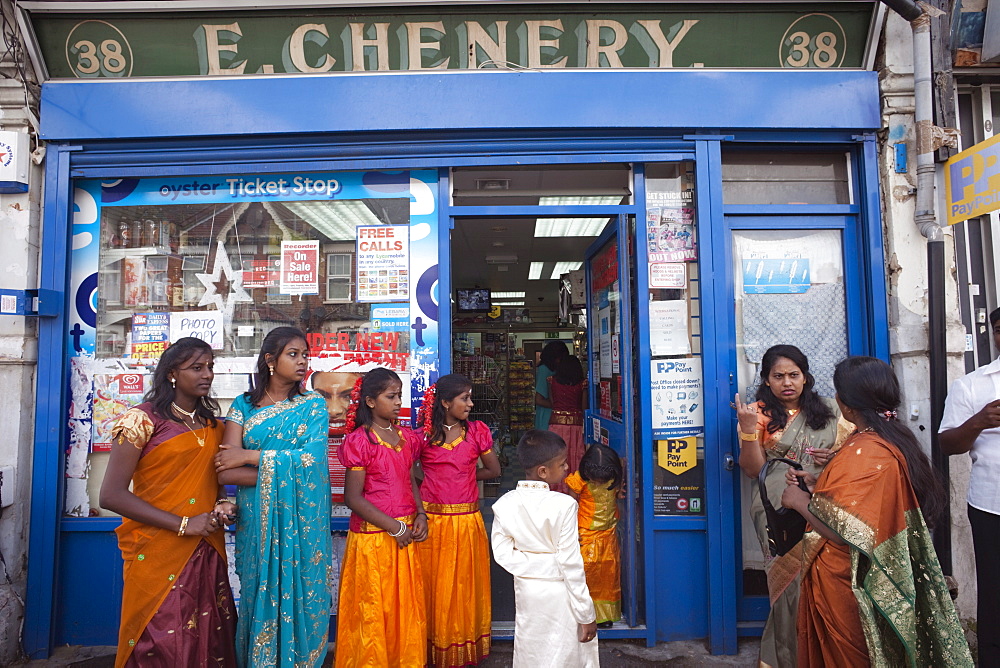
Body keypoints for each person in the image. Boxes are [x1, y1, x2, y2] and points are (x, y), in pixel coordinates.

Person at [781, 356, 973, 667]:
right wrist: (820, 485)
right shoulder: (881, 439)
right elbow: (866, 504)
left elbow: (843, 532)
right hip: (854, 575)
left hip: (848, 580)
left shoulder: (866, 451)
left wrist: (798, 500)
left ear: (846, 403)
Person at [100, 337, 237, 668]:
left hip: (206, 549)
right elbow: (111, 495)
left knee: (209, 636)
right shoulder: (141, 421)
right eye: (197, 368)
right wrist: (185, 524)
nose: (207, 374)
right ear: (172, 374)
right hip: (160, 548)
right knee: (163, 639)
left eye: (210, 367)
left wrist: (223, 504)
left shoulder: (212, 426)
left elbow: (212, 483)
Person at [215, 326, 332, 668]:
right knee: (257, 594)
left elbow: (314, 462)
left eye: (305, 355)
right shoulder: (243, 406)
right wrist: (282, 469)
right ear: (270, 360)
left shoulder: (312, 405)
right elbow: (226, 471)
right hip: (257, 523)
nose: (302, 362)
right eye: (293, 354)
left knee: (305, 597)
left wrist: (253, 457)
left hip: (302, 521)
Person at [732, 344, 850, 668]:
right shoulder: (757, 413)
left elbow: (854, 454)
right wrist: (746, 429)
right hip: (775, 509)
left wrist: (834, 458)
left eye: (794, 375)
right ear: (767, 380)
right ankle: (785, 657)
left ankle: (819, 653)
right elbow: (754, 470)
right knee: (787, 585)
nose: (787, 382)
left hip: (821, 502)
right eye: (778, 376)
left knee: (821, 580)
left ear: (806, 377)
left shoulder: (829, 410)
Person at [335, 367, 429, 667]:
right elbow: (353, 497)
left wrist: (421, 515)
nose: (397, 401)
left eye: (399, 395)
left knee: (403, 609)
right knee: (374, 609)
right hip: (373, 540)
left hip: (403, 536)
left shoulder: (406, 437)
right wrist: (394, 527)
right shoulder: (361, 442)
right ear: (371, 401)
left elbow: (410, 479)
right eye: (391, 396)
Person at [491, 429, 599, 667]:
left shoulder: (505, 504)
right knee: (565, 650)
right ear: (543, 471)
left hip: (528, 589)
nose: (567, 468)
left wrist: (532, 565)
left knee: (531, 648)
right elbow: (571, 564)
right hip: (561, 591)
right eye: (562, 464)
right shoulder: (565, 505)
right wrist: (586, 615)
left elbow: (502, 552)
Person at [416, 373, 501, 666]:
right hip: (430, 524)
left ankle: (459, 648)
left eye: (470, 397)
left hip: (466, 522)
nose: (471, 403)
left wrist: (461, 475)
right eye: (465, 398)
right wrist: (433, 479)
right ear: (445, 402)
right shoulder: (422, 436)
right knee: (433, 586)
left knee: (463, 586)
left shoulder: (477, 432)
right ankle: (432, 646)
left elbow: (493, 470)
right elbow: (406, 471)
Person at [940, 306, 1000, 667]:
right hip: (991, 503)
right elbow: (948, 445)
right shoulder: (973, 385)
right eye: (998, 328)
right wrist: (979, 421)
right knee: (994, 591)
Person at [564, 444, 623, 628]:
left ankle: (603, 616)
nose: (597, 483)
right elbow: (570, 505)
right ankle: (582, 614)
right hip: (585, 533)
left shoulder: (614, 475)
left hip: (608, 533)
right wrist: (571, 531)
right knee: (585, 572)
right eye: (594, 480)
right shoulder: (579, 480)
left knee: (608, 574)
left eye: (601, 481)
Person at [548, 355, 588, 493]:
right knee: (576, 455)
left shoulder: (552, 381)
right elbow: (583, 407)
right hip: (576, 424)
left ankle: (556, 488)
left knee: (555, 456)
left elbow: (553, 402)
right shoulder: (582, 384)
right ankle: (574, 488)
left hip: (556, 424)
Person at [534, 341, 568, 430]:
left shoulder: (554, 370)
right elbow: (539, 400)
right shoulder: (544, 370)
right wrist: (561, 406)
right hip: (546, 417)